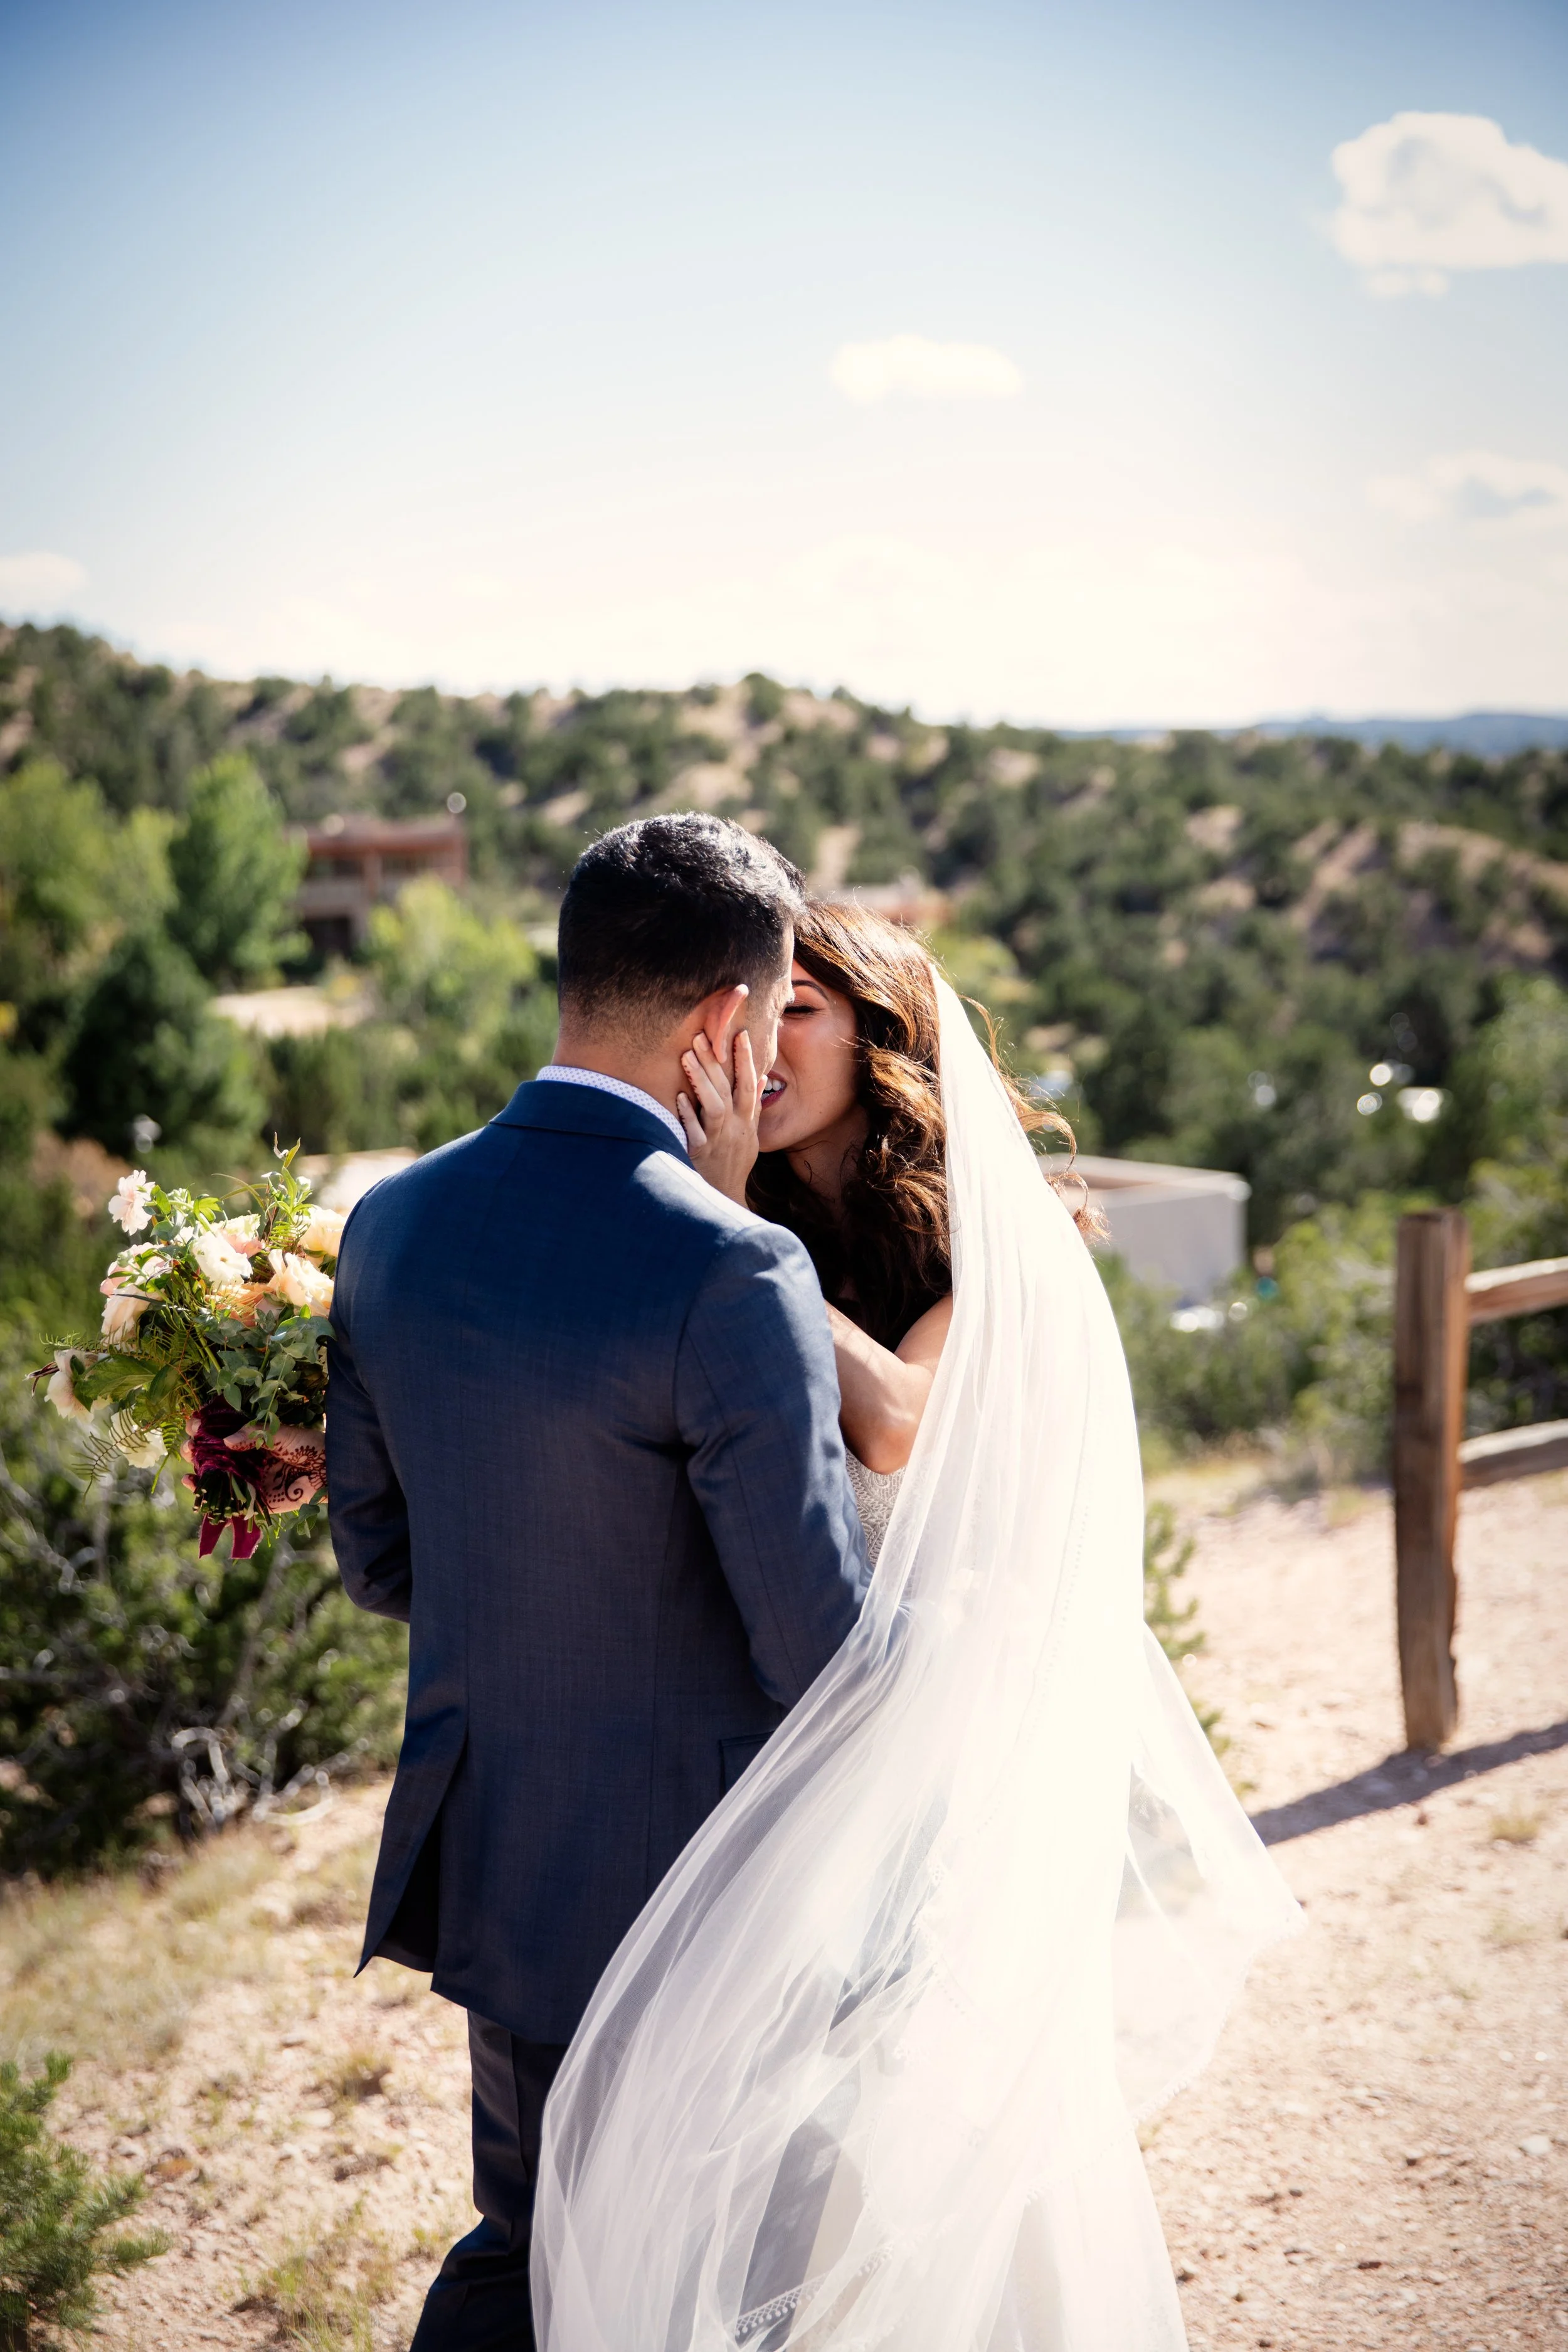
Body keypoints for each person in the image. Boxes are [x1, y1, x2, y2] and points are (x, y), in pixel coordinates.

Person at [533, 899, 1301, 2352]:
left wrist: (715, 1217)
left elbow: (895, 1428)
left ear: (880, 1036)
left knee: (900, 2106)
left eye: (799, 1011)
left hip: (930, 1727)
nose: (758, 1045)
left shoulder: (993, 1246)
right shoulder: (757, 1220)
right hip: (777, 1713)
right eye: (753, 1013)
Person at [327, 815, 867, 2352]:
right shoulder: (731, 1268)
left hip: (506, 1863)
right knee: (731, 2287)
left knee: (535, 2251)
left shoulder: (391, 1218)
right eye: (770, 1021)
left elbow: (379, 1561)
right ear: (722, 1021)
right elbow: (817, 1654)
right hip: (712, 1900)